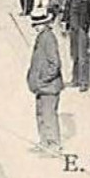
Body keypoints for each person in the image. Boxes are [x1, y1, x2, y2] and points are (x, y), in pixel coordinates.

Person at [26, 8, 63, 155]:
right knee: (40, 115)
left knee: (48, 115)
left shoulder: (48, 38)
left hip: (48, 87)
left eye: (37, 24)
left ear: (45, 24)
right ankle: (44, 142)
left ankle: (54, 145)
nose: (35, 27)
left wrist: (43, 79)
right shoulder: (42, 37)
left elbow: (55, 64)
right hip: (41, 87)